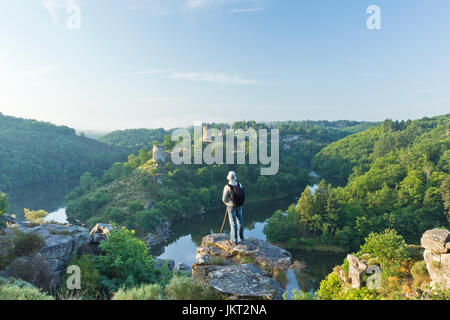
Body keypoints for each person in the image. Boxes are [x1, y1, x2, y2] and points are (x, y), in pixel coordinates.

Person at [222, 171, 245, 245]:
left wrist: (227, 203)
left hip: (231, 207)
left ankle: (233, 240)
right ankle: (241, 238)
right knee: (240, 222)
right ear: (235, 177)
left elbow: (224, 199)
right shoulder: (239, 184)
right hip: (239, 205)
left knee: (233, 223)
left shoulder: (227, 187)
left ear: (228, 178)